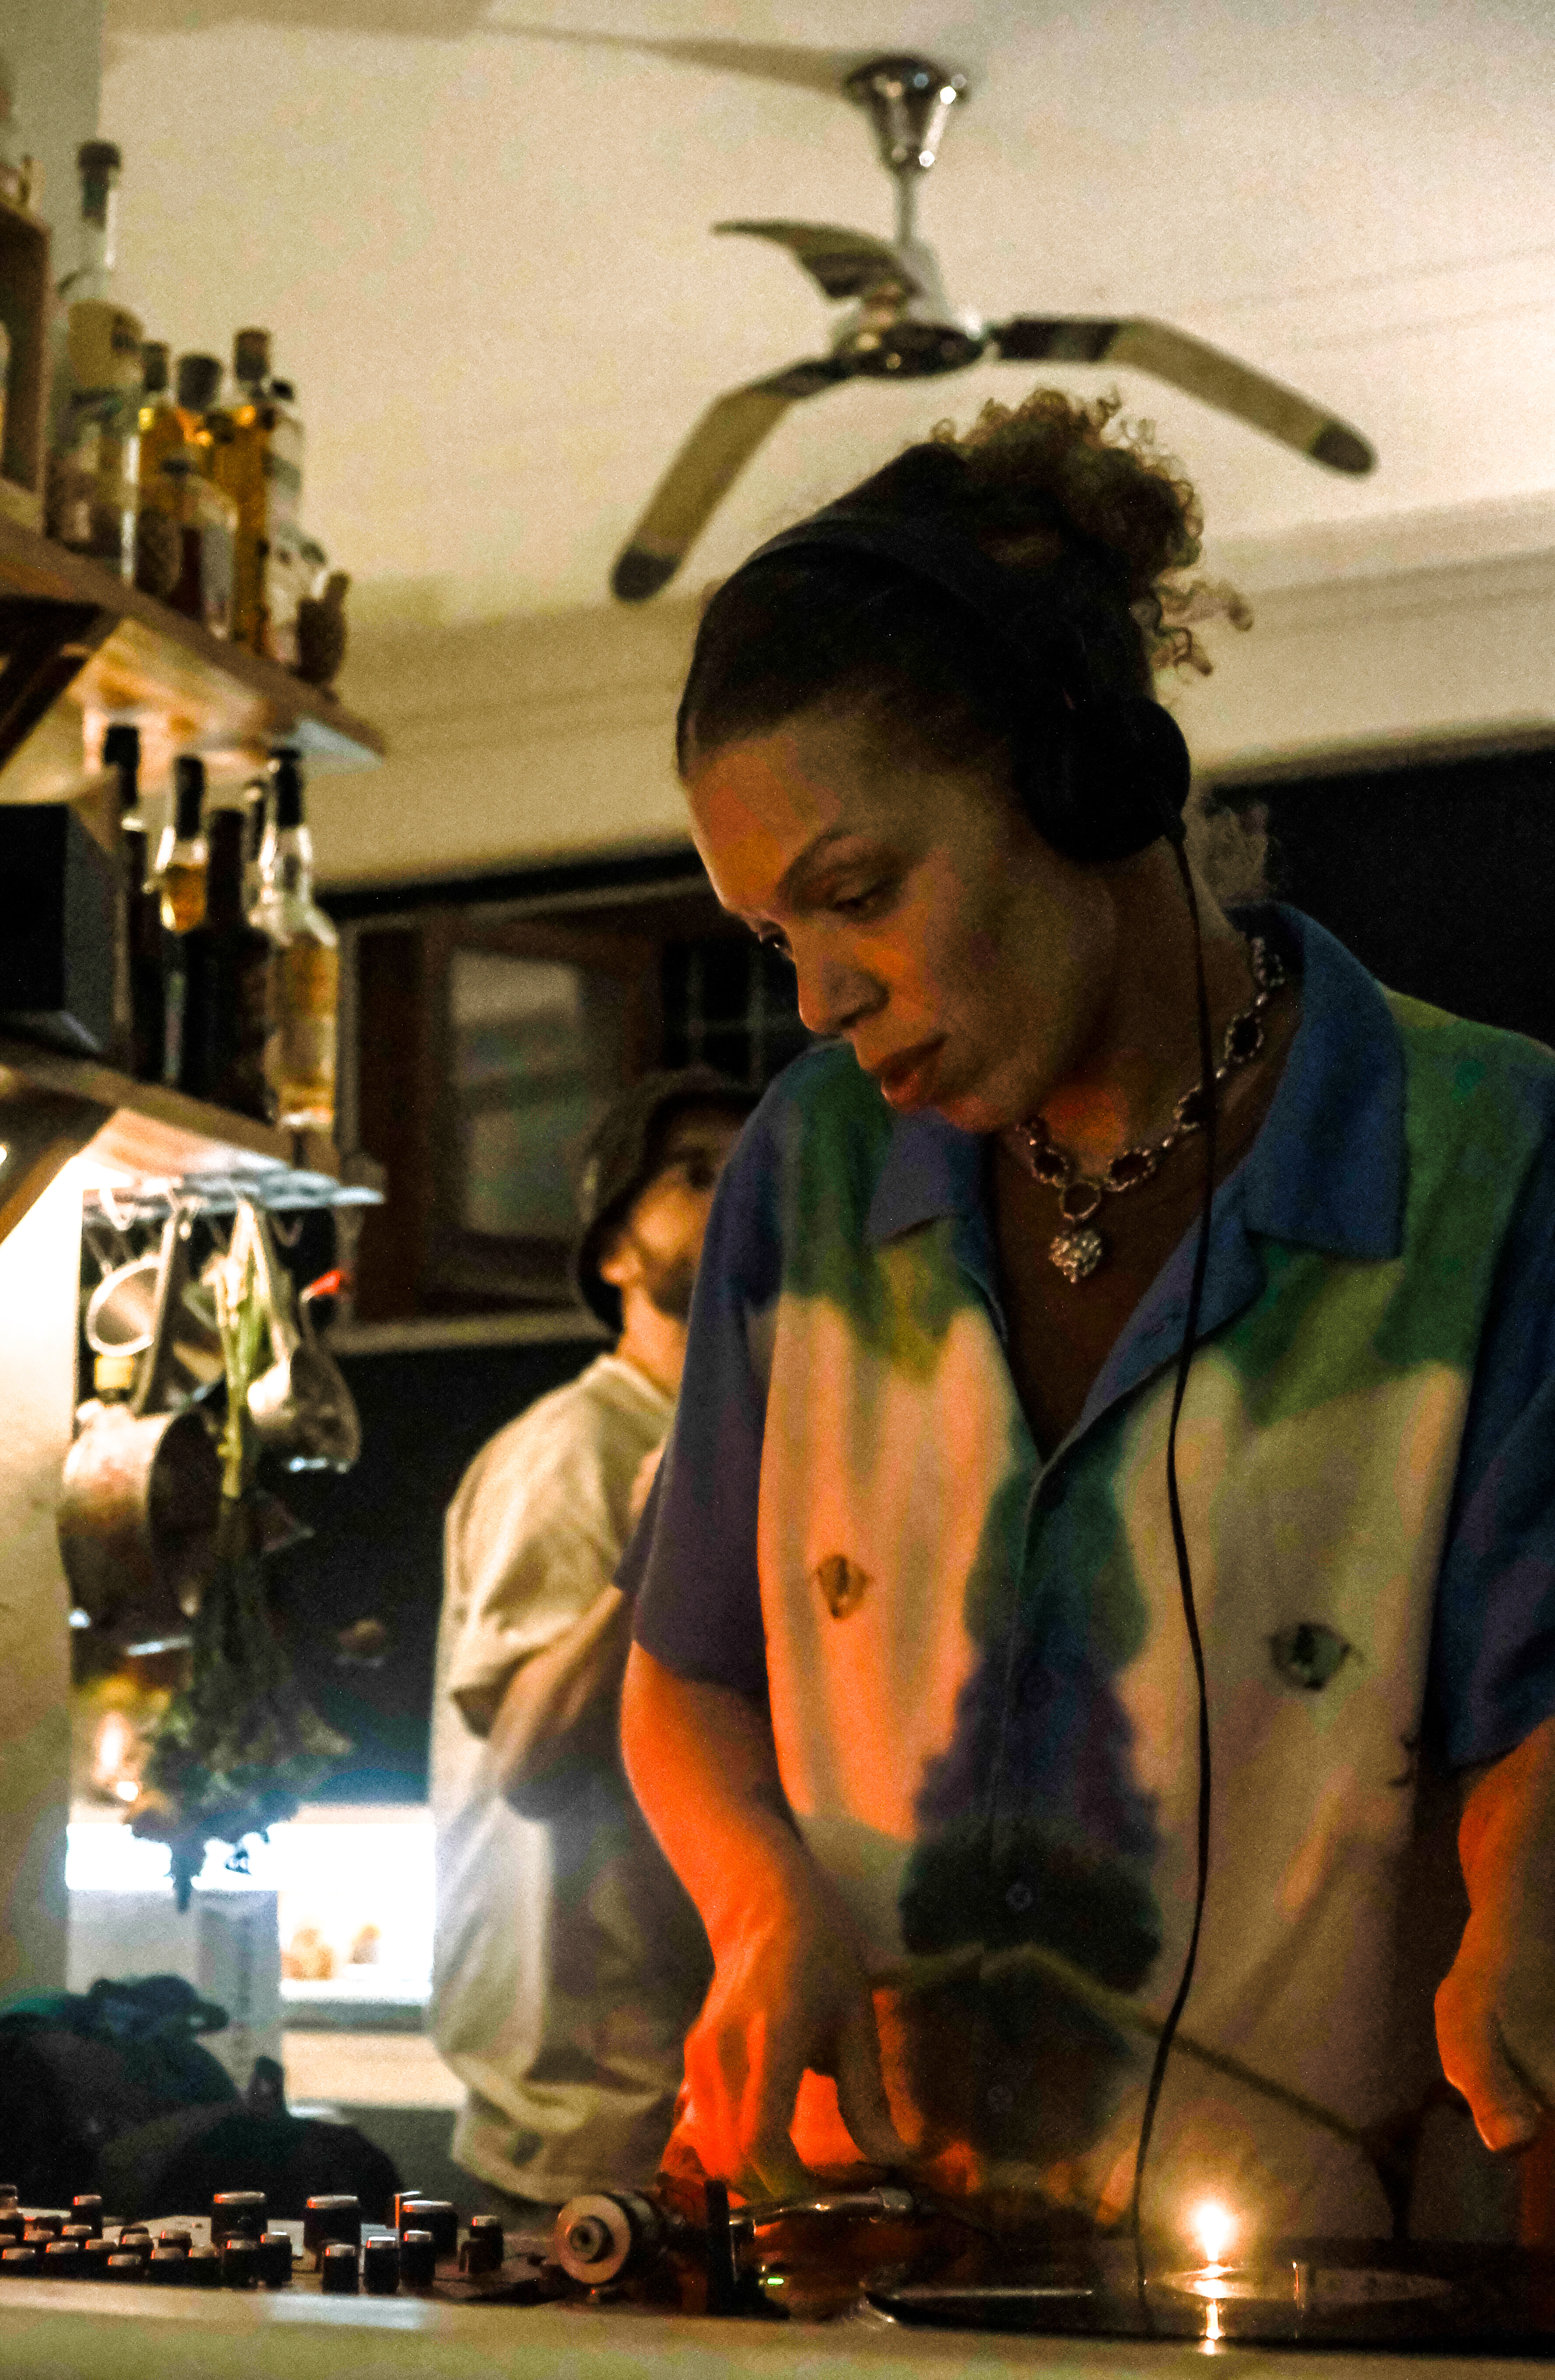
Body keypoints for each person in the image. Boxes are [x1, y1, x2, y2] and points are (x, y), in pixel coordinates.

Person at [618, 390, 1555, 2243]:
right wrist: (759, 1905)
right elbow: (687, 1674)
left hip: (1325, 2323)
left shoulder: (1489, 1159)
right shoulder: (801, 1179)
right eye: (770, 939)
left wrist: (1527, 1904)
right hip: (863, 2288)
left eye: (855, 895)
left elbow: (1534, 1718)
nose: (817, 997)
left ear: (1081, 782)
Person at [428, 1069, 755, 2213]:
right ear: (615, 1253)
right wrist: (656, 1548)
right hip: (585, 2115)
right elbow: (531, 1762)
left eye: (756, 1168)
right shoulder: (575, 1447)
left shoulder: (741, 1440)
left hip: (691, 2092)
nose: (741, 1192)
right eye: (698, 1174)